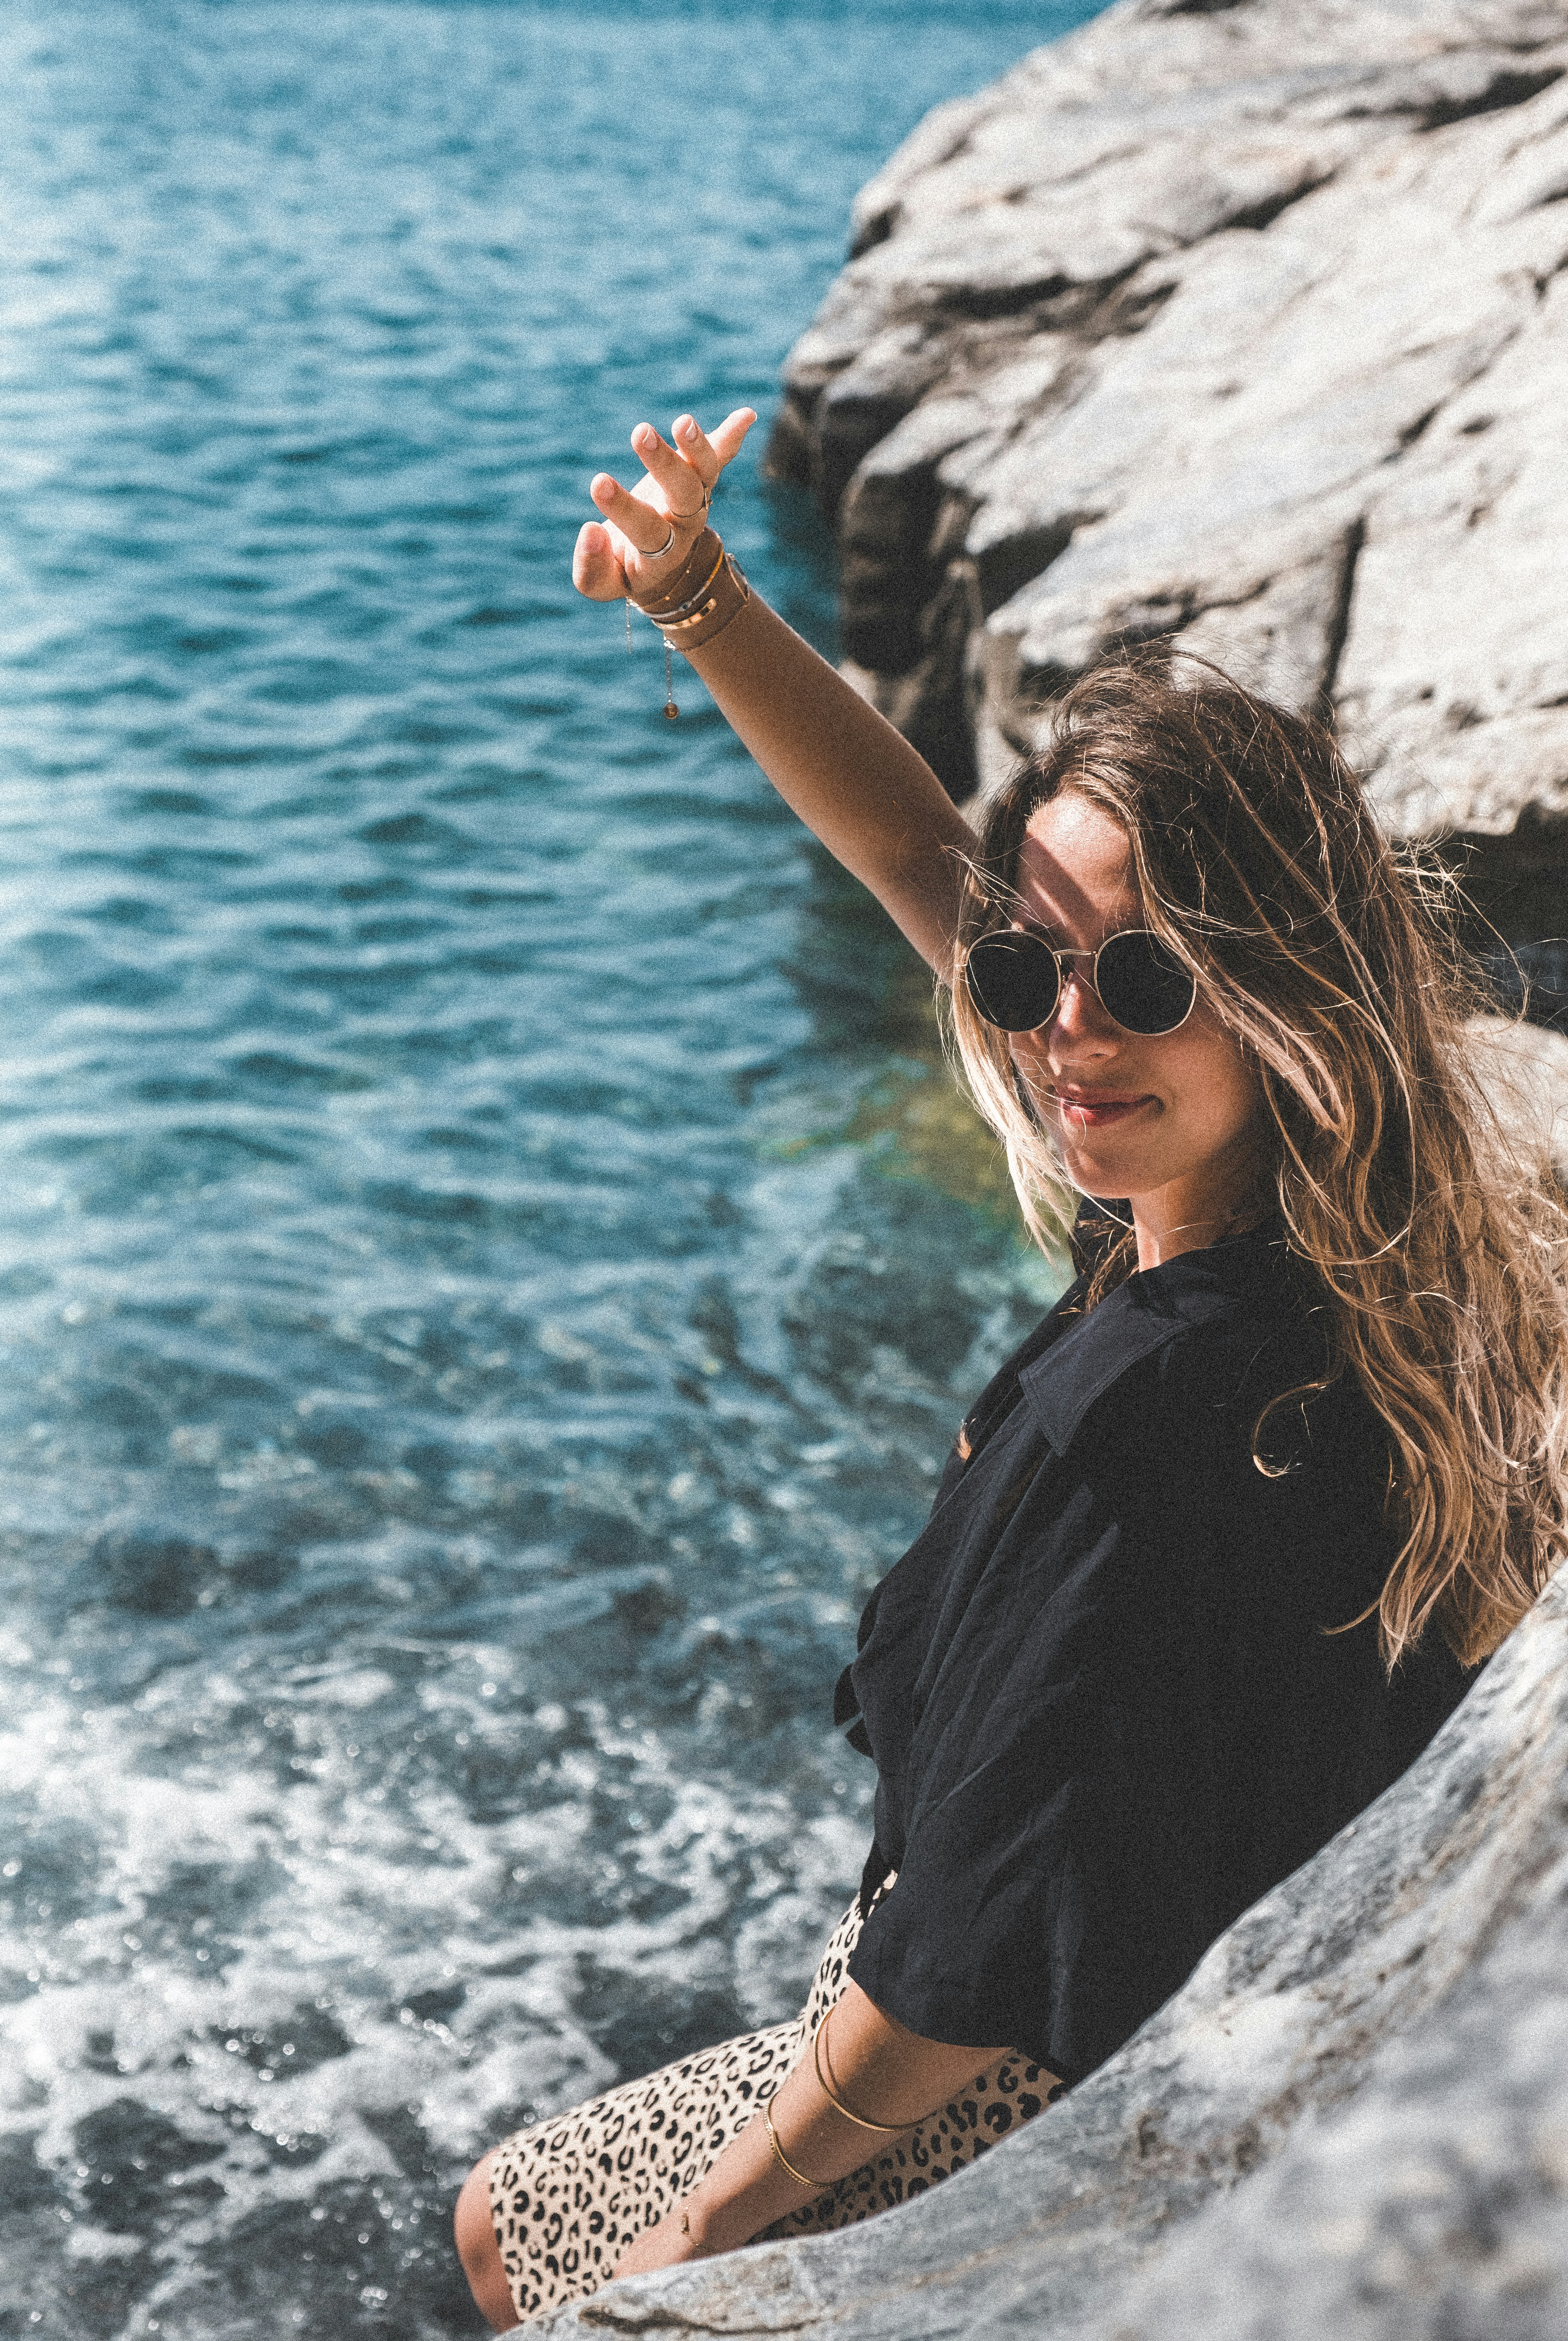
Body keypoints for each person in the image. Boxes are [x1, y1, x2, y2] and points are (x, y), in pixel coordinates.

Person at [455, 410, 1568, 2328]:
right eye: (1021, 969)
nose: (1061, 1032)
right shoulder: (1342, 1238)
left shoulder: (1145, 1415)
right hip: (1195, 1994)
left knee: (511, 2234)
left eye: (1137, 978)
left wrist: (701, 2240)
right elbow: (911, 846)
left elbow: (960, 1963)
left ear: (1279, 987)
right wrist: (700, 596)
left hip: (1025, 2087)